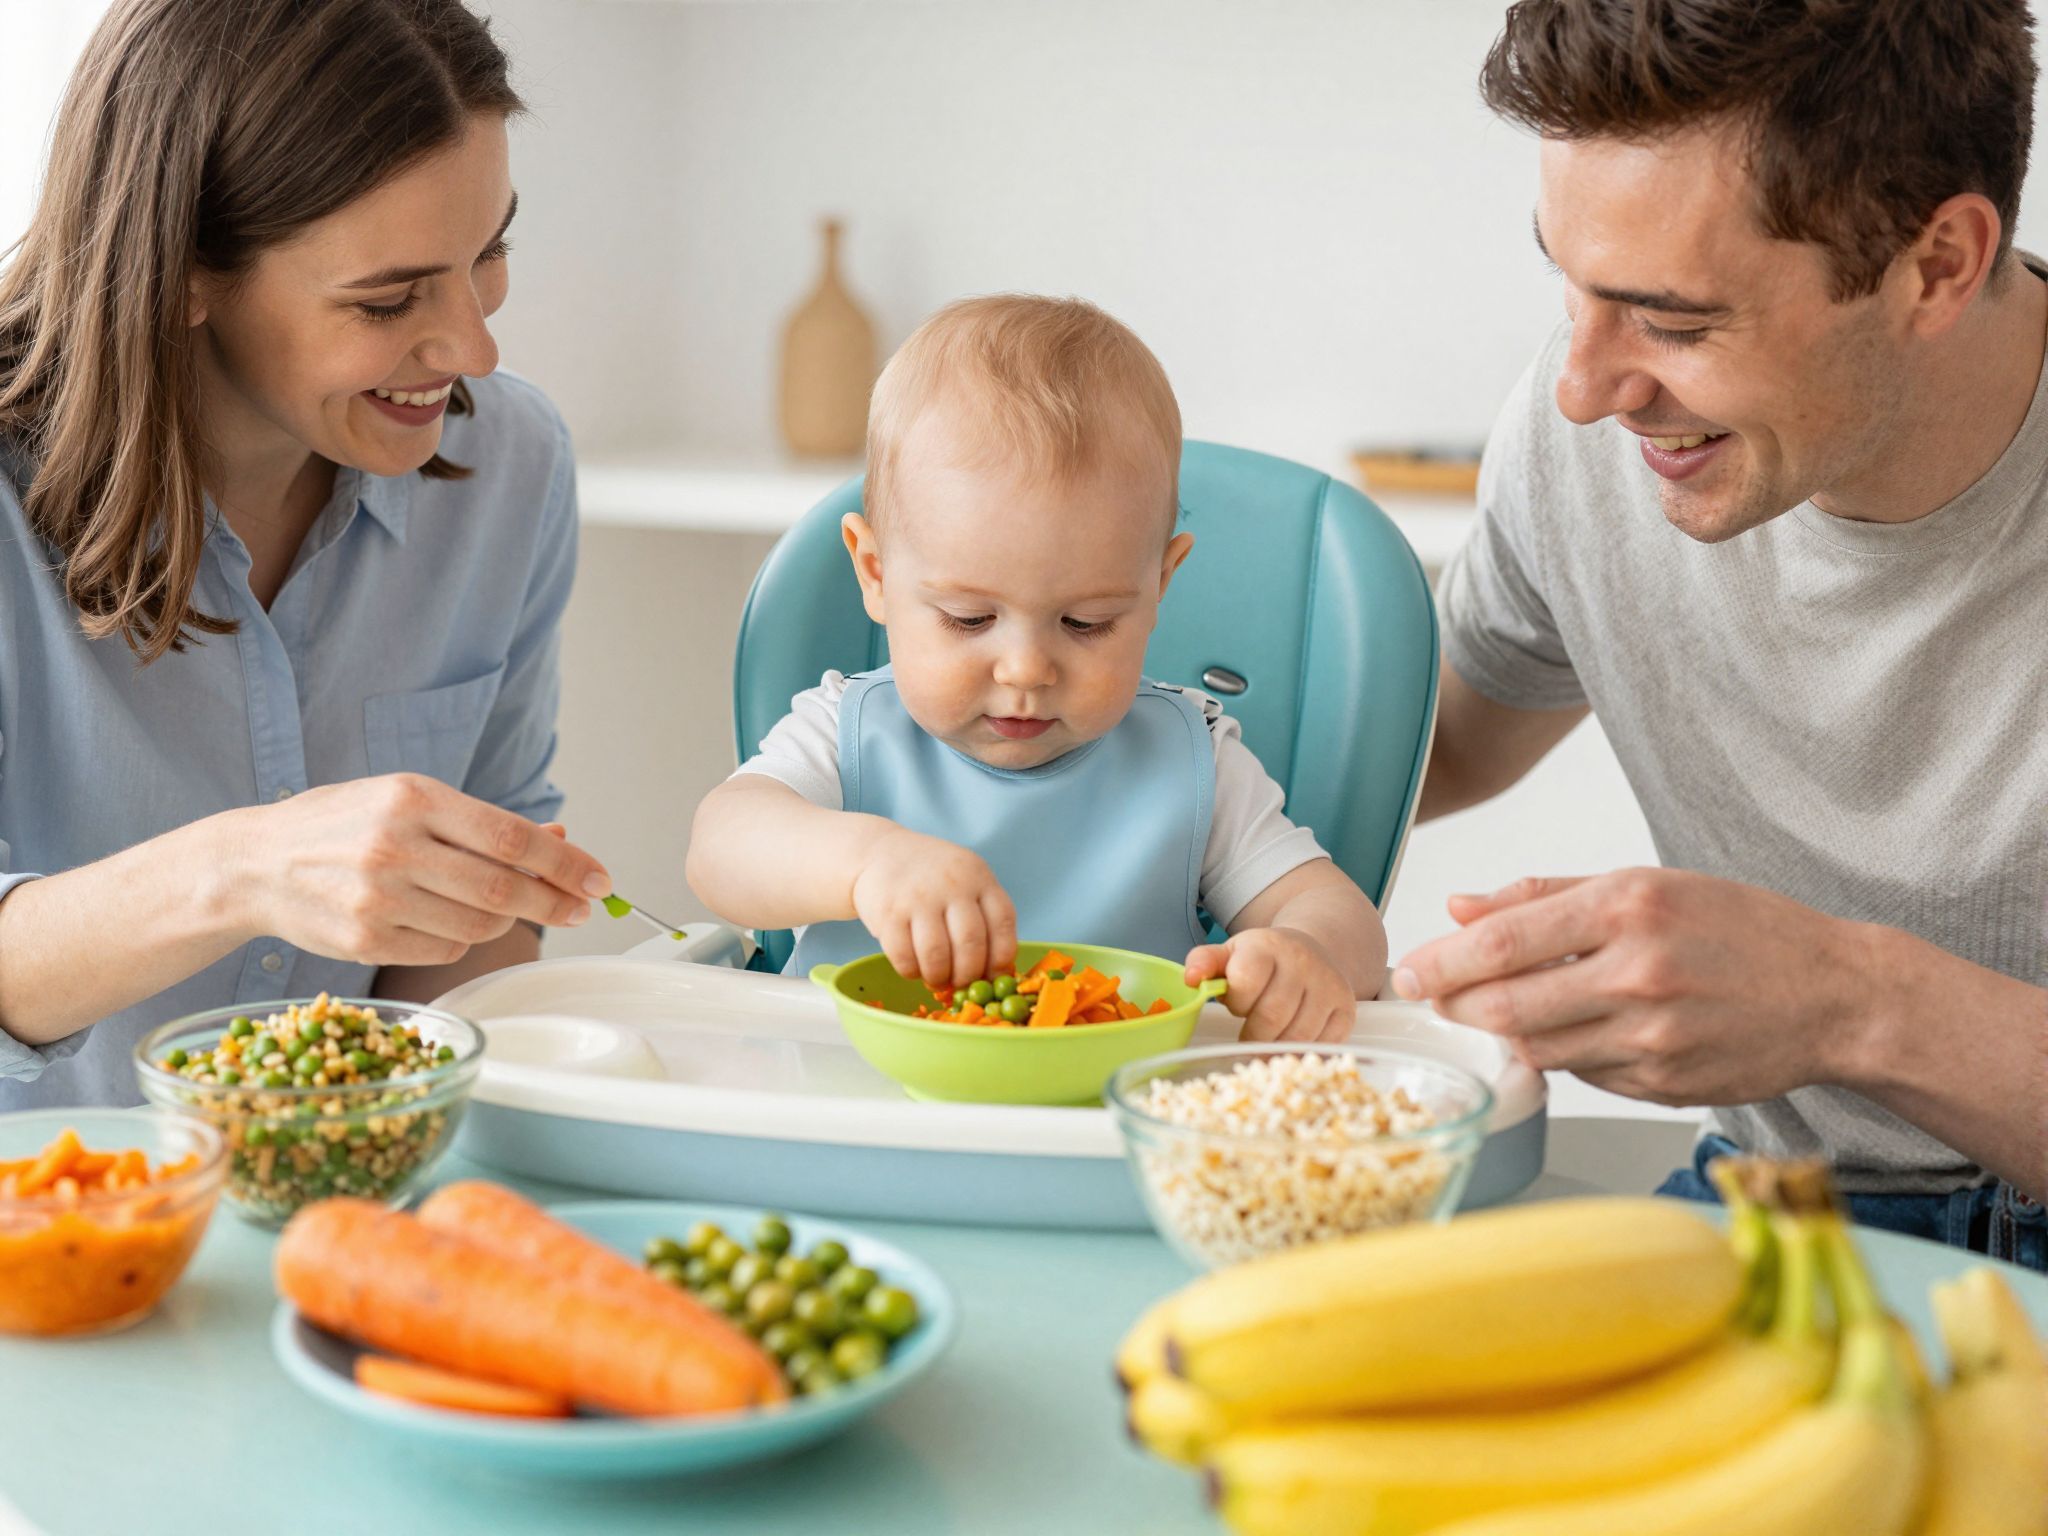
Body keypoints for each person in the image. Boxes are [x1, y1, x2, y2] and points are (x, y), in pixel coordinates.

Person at [1395, 0, 2045, 1264]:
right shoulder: (1583, 429)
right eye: (1566, 285)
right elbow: (1439, 746)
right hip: (1777, 1202)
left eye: (1676, 323)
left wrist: (1843, 1005)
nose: (1583, 389)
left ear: (1937, 266)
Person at [0, 0, 611, 1108]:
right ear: (183, 271)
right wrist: (242, 871)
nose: (474, 345)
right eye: (388, 299)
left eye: (490, 251)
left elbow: (470, 934)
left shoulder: (510, 464)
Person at [687, 295, 1385, 1042]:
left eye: (1086, 624)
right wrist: (866, 861)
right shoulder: (847, 734)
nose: (1025, 669)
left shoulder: (1192, 761)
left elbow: (1342, 917)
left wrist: (1304, 953)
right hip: (858, 1110)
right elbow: (720, 849)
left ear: (1159, 585)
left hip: (1107, 1125)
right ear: (876, 573)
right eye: (969, 619)